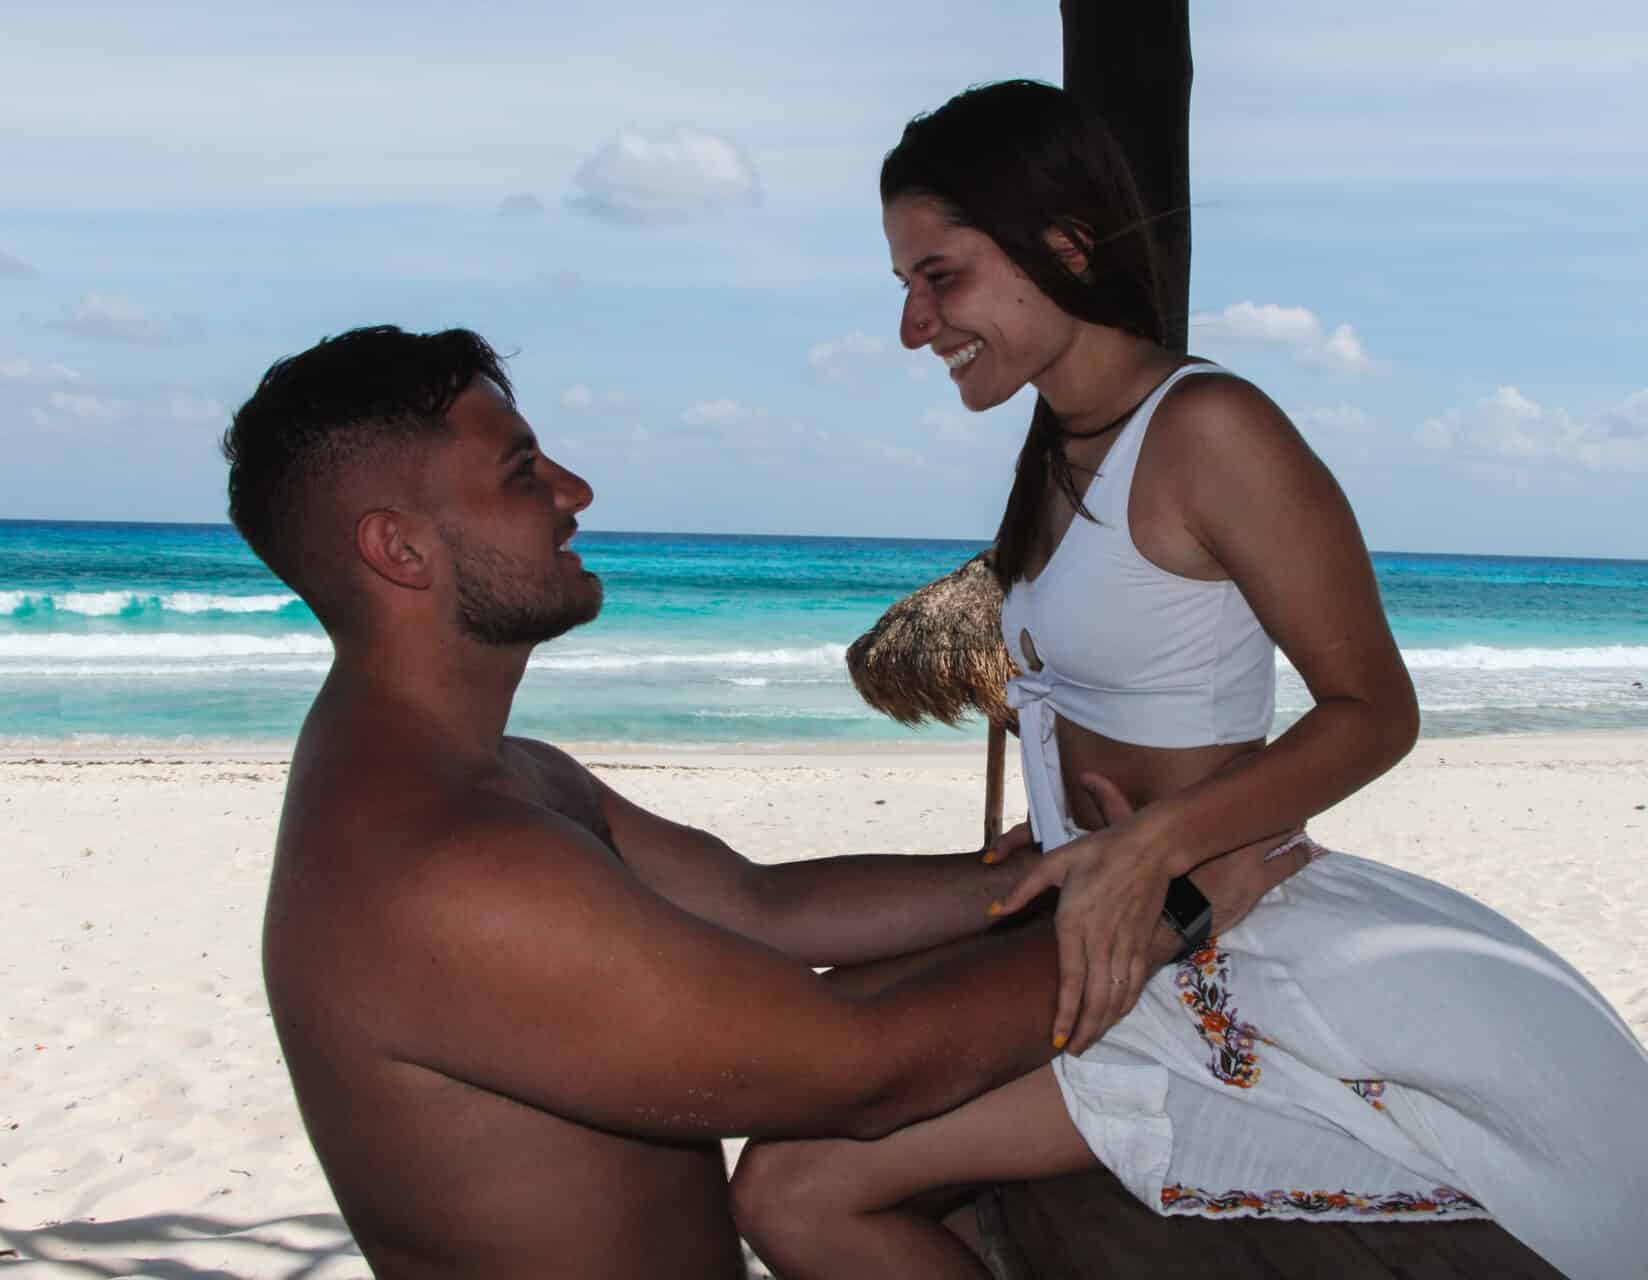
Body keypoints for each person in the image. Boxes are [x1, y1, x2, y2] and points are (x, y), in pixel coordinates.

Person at [727, 80, 1648, 1280]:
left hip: (1219, 941)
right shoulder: (1058, 447)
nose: (915, 325)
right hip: (1112, 922)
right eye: (905, 288)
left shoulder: (1212, 426)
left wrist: (1153, 846)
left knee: (797, 1183)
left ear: (1066, 245)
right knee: (804, 1103)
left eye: (942, 277)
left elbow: (1373, 707)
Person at [223, 324, 1296, 1279]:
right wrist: (1171, 903)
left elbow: (763, 906)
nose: (573, 487)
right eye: (518, 472)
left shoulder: (498, 773)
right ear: (398, 549)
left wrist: (1044, 875)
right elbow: (864, 1072)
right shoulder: (444, 865)